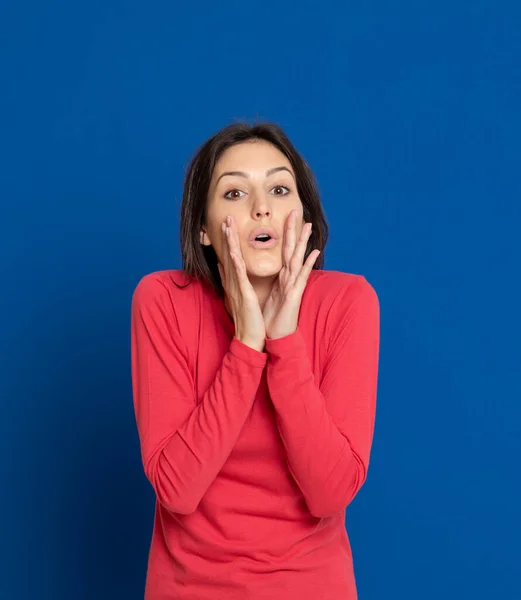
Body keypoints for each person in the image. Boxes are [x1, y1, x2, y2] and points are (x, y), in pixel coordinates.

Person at [130, 121, 380, 599]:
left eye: (279, 188)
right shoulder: (161, 300)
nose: (261, 207)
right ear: (203, 228)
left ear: (302, 215)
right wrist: (247, 345)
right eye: (234, 194)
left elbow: (329, 493)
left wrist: (283, 342)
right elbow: (177, 490)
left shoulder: (349, 302)